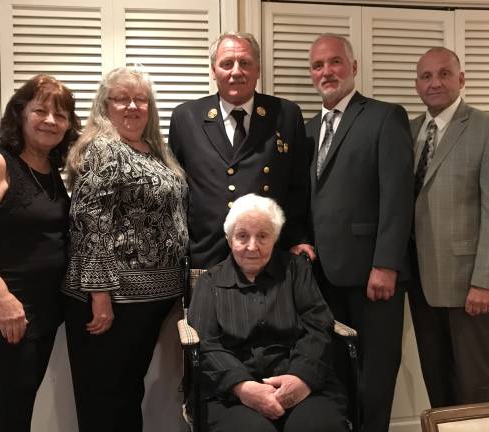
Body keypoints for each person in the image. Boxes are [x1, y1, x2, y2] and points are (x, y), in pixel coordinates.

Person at [62, 67, 188, 432]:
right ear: (105, 105)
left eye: (140, 99)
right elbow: (90, 220)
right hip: (113, 300)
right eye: (121, 98)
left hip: (149, 302)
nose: (132, 106)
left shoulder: (155, 150)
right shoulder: (103, 147)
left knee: (127, 391)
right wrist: (100, 294)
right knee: (104, 397)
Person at [0, 75, 79, 431]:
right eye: (40, 111)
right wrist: (3, 300)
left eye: (61, 115)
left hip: (35, 316)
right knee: (3, 417)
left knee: (17, 411)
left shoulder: (49, 170)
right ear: (20, 114)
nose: (51, 121)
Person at [306, 34, 414, 432]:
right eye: (318, 65)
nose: (326, 72)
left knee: (376, 376)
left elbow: (398, 197)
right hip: (323, 279)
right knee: (335, 373)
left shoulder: (385, 116)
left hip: (374, 277)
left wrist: (386, 264)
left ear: (354, 66)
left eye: (335, 62)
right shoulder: (308, 127)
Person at [409, 47, 489, 408]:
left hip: (469, 285)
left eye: (444, 73)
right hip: (421, 283)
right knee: (438, 385)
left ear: (461, 79)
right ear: (417, 85)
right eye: (426, 76)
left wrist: (487, 282)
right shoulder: (410, 131)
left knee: (478, 389)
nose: (435, 82)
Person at [189, 193, 349, 432]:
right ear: (229, 238)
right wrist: (242, 387)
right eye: (242, 236)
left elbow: (319, 325)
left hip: (301, 380)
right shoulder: (209, 282)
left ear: (275, 238)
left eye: (263, 236)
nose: (252, 246)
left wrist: (301, 378)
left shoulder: (296, 271)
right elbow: (206, 344)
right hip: (229, 392)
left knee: (317, 427)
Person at [169, 31, 313, 270]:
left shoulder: (286, 114)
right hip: (206, 254)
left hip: (268, 253)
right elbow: (176, 191)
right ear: (214, 71)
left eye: (245, 63)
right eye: (227, 64)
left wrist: (297, 239)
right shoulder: (186, 117)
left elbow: (298, 187)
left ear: (258, 69)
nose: (236, 71)